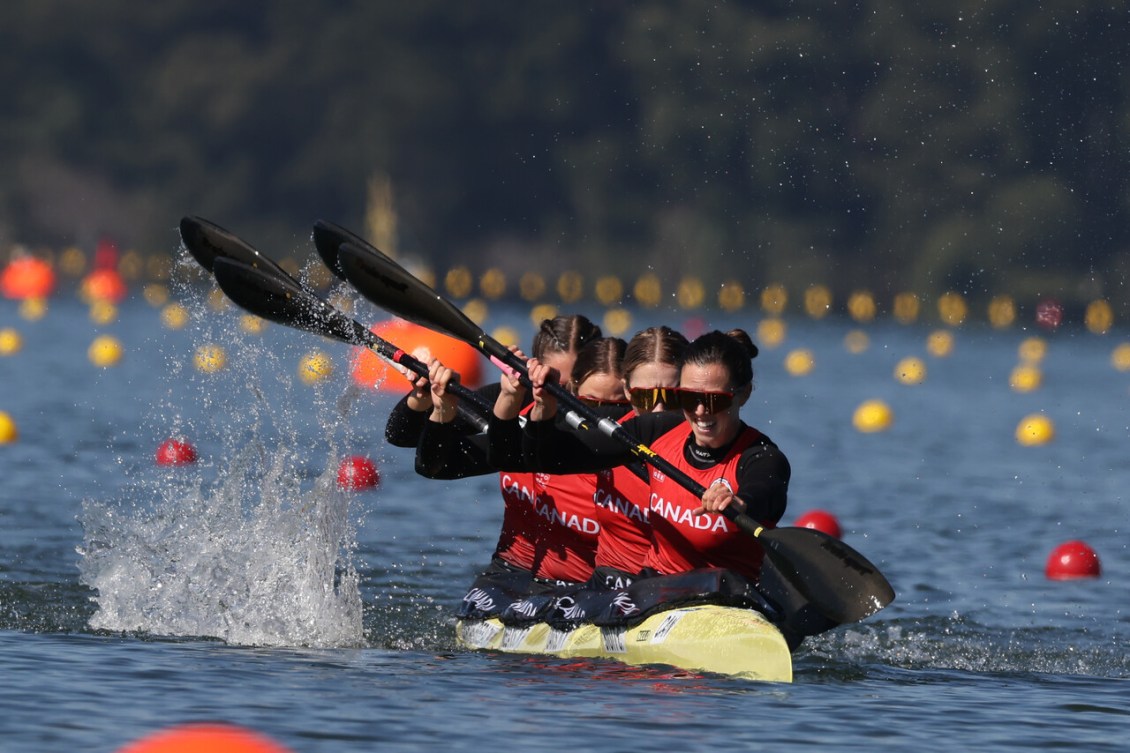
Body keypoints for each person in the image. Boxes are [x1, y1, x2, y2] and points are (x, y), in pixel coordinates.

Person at [521, 328, 789, 586]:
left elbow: (764, 489)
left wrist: (740, 502)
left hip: (724, 599)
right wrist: (544, 406)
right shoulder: (657, 430)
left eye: (714, 401)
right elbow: (551, 457)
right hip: (652, 593)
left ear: (744, 394)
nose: (699, 412)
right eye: (686, 398)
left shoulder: (762, 457)